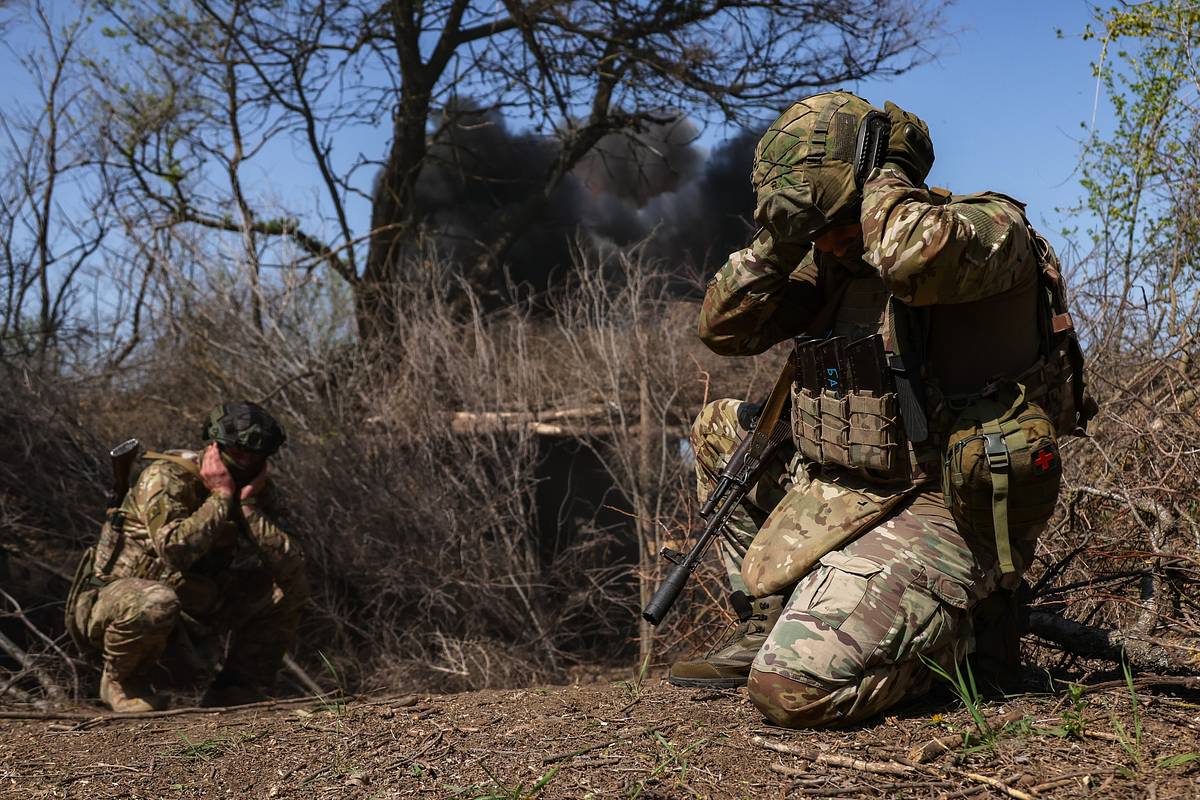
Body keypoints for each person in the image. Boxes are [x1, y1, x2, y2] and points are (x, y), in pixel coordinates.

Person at [668, 91, 1086, 727]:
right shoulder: (837, 262)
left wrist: (883, 169)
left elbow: (908, 258)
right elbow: (724, 327)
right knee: (721, 428)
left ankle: (970, 639)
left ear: (872, 189)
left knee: (788, 690)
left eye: (836, 226)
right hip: (848, 484)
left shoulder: (984, 231)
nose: (831, 246)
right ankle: (770, 618)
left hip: (944, 501)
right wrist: (783, 239)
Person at [67, 401, 308, 713]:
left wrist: (248, 508)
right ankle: (120, 683)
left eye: (256, 455)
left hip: (192, 601)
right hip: (117, 603)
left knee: (289, 589)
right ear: (215, 445)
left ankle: (238, 689)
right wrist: (221, 496)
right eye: (238, 452)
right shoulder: (167, 477)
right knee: (157, 600)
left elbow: (292, 565)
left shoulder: (254, 488)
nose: (246, 461)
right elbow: (175, 552)